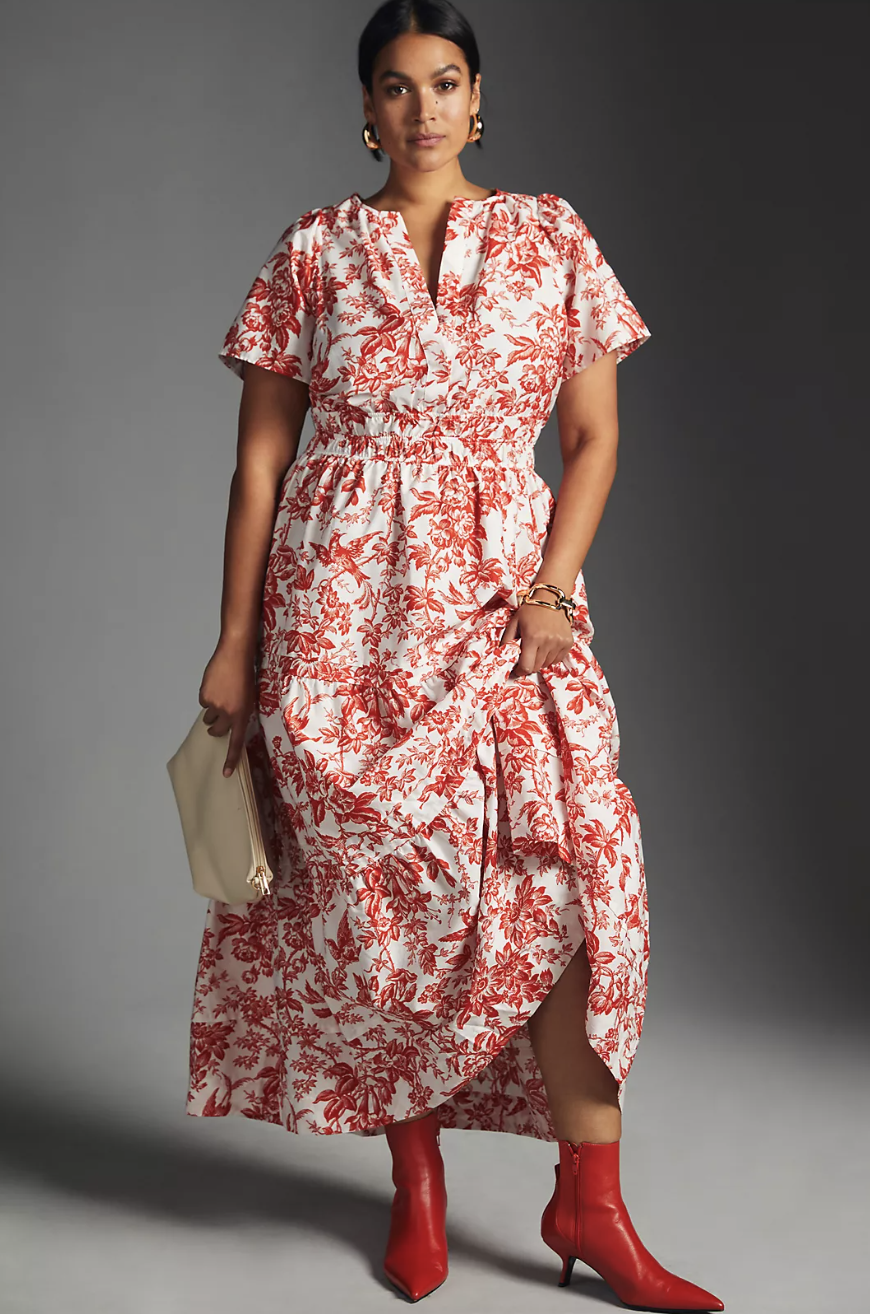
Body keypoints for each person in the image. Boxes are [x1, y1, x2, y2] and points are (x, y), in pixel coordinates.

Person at [186, 1, 724, 1308]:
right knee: (381, 901)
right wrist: (235, 640)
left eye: (444, 81)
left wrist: (551, 585)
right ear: (362, 109)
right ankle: (415, 1189)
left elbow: (589, 439)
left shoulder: (549, 239)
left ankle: (590, 1204)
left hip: (501, 609)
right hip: (339, 620)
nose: (420, 107)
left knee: (575, 873)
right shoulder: (313, 252)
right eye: (393, 84)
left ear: (477, 99)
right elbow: (261, 463)